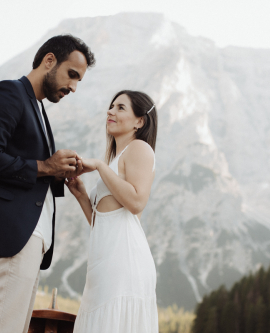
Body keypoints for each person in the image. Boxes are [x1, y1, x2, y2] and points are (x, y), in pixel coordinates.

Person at [0, 35, 95, 333]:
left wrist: (57, 173)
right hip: (11, 235)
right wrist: (46, 165)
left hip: (28, 238)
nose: (73, 87)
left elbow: (29, 168)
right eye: (72, 75)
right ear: (49, 60)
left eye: (79, 80)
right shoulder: (8, 92)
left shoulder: (37, 108)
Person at [66, 90, 159, 333]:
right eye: (111, 106)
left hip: (125, 264)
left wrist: (98, 165)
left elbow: (137, 202)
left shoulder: (139, 149)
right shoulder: (116, 159)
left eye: (120, 108)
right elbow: (104, 223)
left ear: (140, 121)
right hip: (105, 263)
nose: (110, 111)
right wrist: (81, 195)